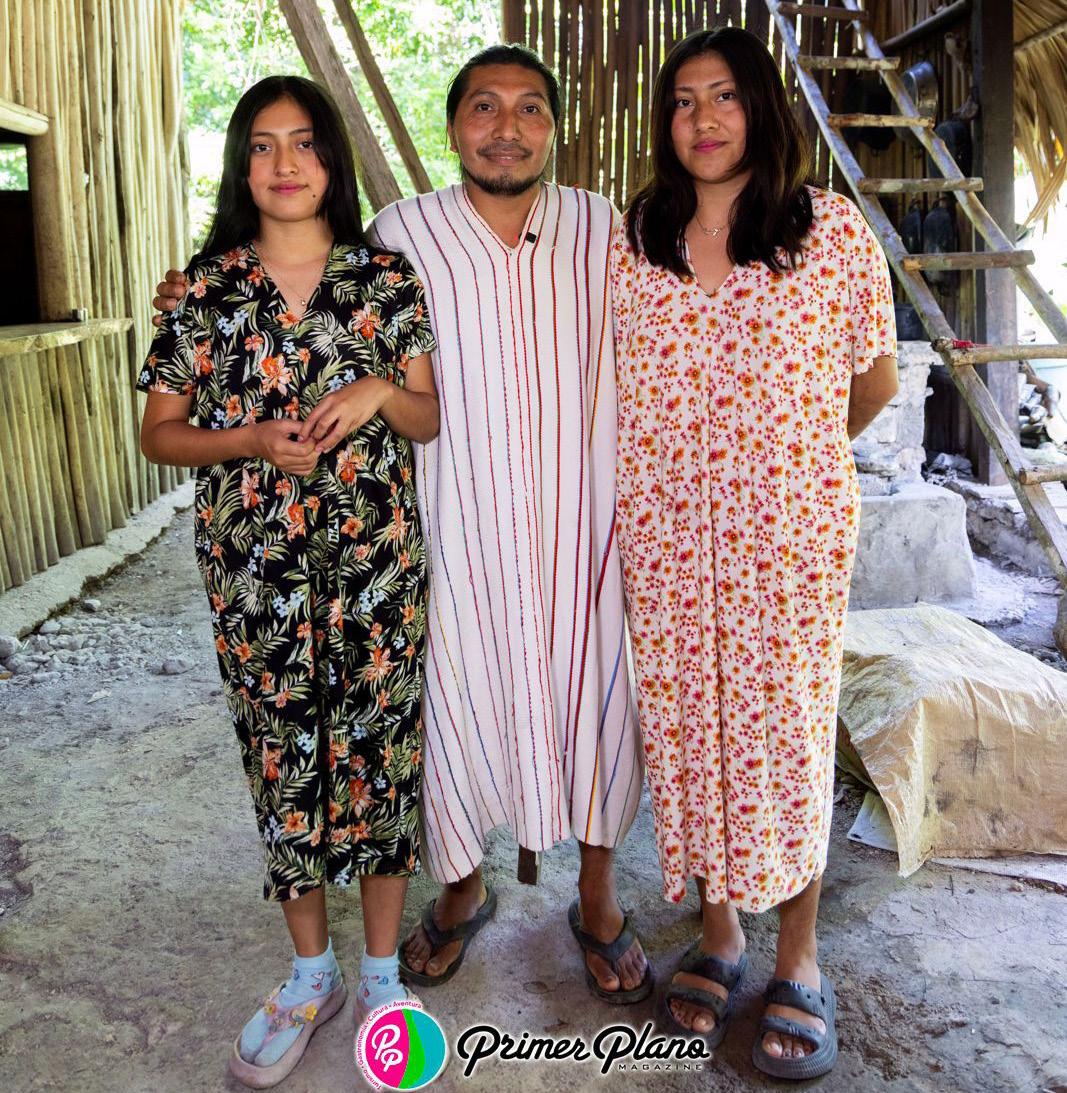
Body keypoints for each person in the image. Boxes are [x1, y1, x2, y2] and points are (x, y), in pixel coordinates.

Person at [152, 47, 650, 1005]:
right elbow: (220, 354)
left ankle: (596, 896)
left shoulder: (605, 229)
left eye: (530, 109)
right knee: (443, 720)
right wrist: (187, 296)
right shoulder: (401, 234)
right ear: (452, 124)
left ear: (554, 127)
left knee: (594, 705)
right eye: (483, 107)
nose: (506, 128)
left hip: (574, 527)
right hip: (446, 528)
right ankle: (460, 885)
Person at [138, 75, 439, 1089]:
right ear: (241, 166)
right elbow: (159, 433)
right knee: (283, 759)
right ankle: (312, 973)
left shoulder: (384, 279)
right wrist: (251, 439)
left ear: (331, 160)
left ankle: (383, 976)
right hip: (253, 570)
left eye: (303, 141)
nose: (284, 162)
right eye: (262, 144)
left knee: (383, 756)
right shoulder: (206, 289)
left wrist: (377, 387)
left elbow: (428, 416)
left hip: (377, 564)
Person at [610, 26, 898, 1080]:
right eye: (683, 100)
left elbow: (870, 380)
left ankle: (797, 955)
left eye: (724, 95)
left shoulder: (826, 231)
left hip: (785, 544)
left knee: (783, 736)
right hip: (667, 542)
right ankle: (720, 933)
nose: (702, 119)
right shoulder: (634, 239)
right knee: (691, 729)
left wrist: (786, 465)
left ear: (760, 109)